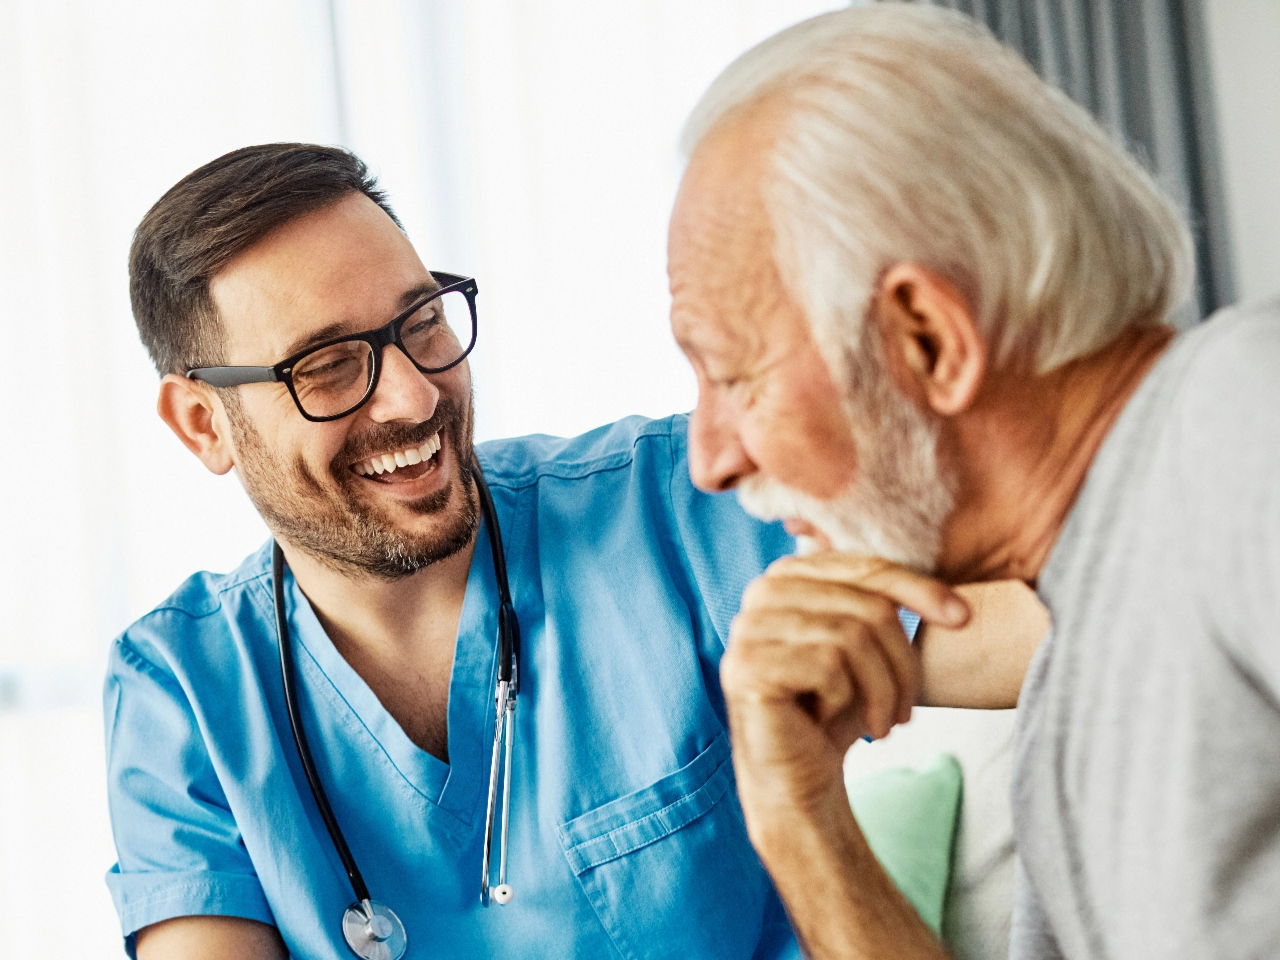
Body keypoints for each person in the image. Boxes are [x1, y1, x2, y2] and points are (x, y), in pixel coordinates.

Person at [106, 142, 1039, 959]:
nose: (414, 397)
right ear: (203, 425)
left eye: (422, 322)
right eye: (329, 367)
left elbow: (1054, 624)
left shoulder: (675, 511)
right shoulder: (180, 692)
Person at [668, 5, 1280, 959]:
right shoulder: (1072, 676)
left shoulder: (1242, 414)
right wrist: (798, 818)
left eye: (735, 376)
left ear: (928, 340)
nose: (712, 458)